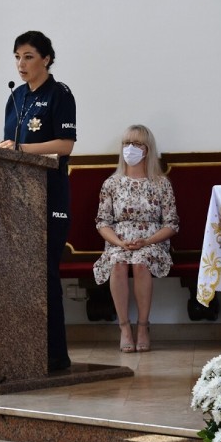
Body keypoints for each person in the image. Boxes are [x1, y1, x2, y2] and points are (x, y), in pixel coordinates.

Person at [0, 30, 76, 371]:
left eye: (28, 56)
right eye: (17, 57)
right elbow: (8, 143)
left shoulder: (60, 94)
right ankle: (25, 350)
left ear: (46, 58)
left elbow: (65, 145)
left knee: (45, 275)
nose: (21, 64)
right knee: (20, 276)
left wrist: (21, 149)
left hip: (50, 196)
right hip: (17, 198)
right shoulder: (15, 99)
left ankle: (55, 355)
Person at [93, 124, 179, 353]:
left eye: (137, 144)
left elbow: (171, 224)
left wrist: (147, 241)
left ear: (147, 149)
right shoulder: (111, 183)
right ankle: (124, 328)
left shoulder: (160, 183)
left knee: (141, 264)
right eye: (126, 144)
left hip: (151, 242)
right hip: (118, 241)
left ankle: (143, 326)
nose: (130, 149)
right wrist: (119, 243)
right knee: (118, 264)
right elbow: (102, 222)